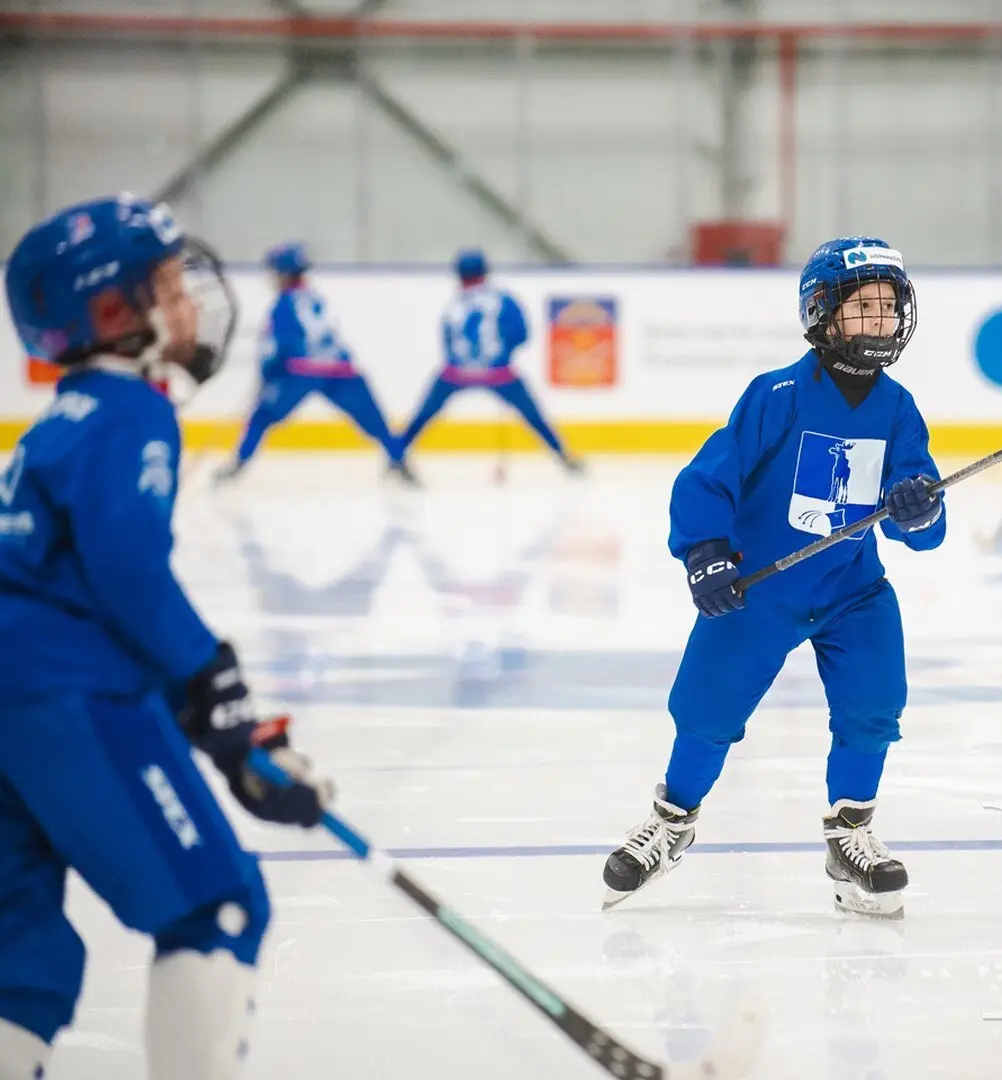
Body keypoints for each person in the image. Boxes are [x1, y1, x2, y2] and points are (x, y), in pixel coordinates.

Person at [0, 195, 333, 1079]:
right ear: (113, 315)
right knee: (216, 909)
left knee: (17, 967)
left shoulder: (57, 423)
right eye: (165, 285)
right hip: (66, 696)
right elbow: (127, 572)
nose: (191, 302)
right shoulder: (130, 413)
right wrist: (210, 680)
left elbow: (59, 580)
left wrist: (211, 728)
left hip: (17, 690)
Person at [601, 237, 945, 920]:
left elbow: (924, 527)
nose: (878, 321)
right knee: (705, 712)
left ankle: (849, 837)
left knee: (874, 706)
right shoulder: (777, 396)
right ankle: (671, 824)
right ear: (821, 313)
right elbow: (707, 479)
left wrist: (919, 502)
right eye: (862, 308)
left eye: (887, 308)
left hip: (852, 589)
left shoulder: (898, 407)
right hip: (761, 589)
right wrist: (706, 553)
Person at [214, 242, 412, 484]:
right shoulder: (315, 298)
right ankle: (399, 460)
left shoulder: (284, 305)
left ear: (284, 274)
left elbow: (281, 347)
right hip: (341, 369)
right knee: (375, 420)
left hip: (302, 371)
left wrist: (268, 375)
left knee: (262, 415)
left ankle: (239, 464)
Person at [396, 248, 583, 475]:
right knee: (533, 414)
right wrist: (504, 354)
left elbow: (446, 339)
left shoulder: (454, 305)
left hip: (456, 372)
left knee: (424, 413)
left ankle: (397, 454)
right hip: (498, 372)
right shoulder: (503, 299)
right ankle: (563, 456)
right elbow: (521, 334)